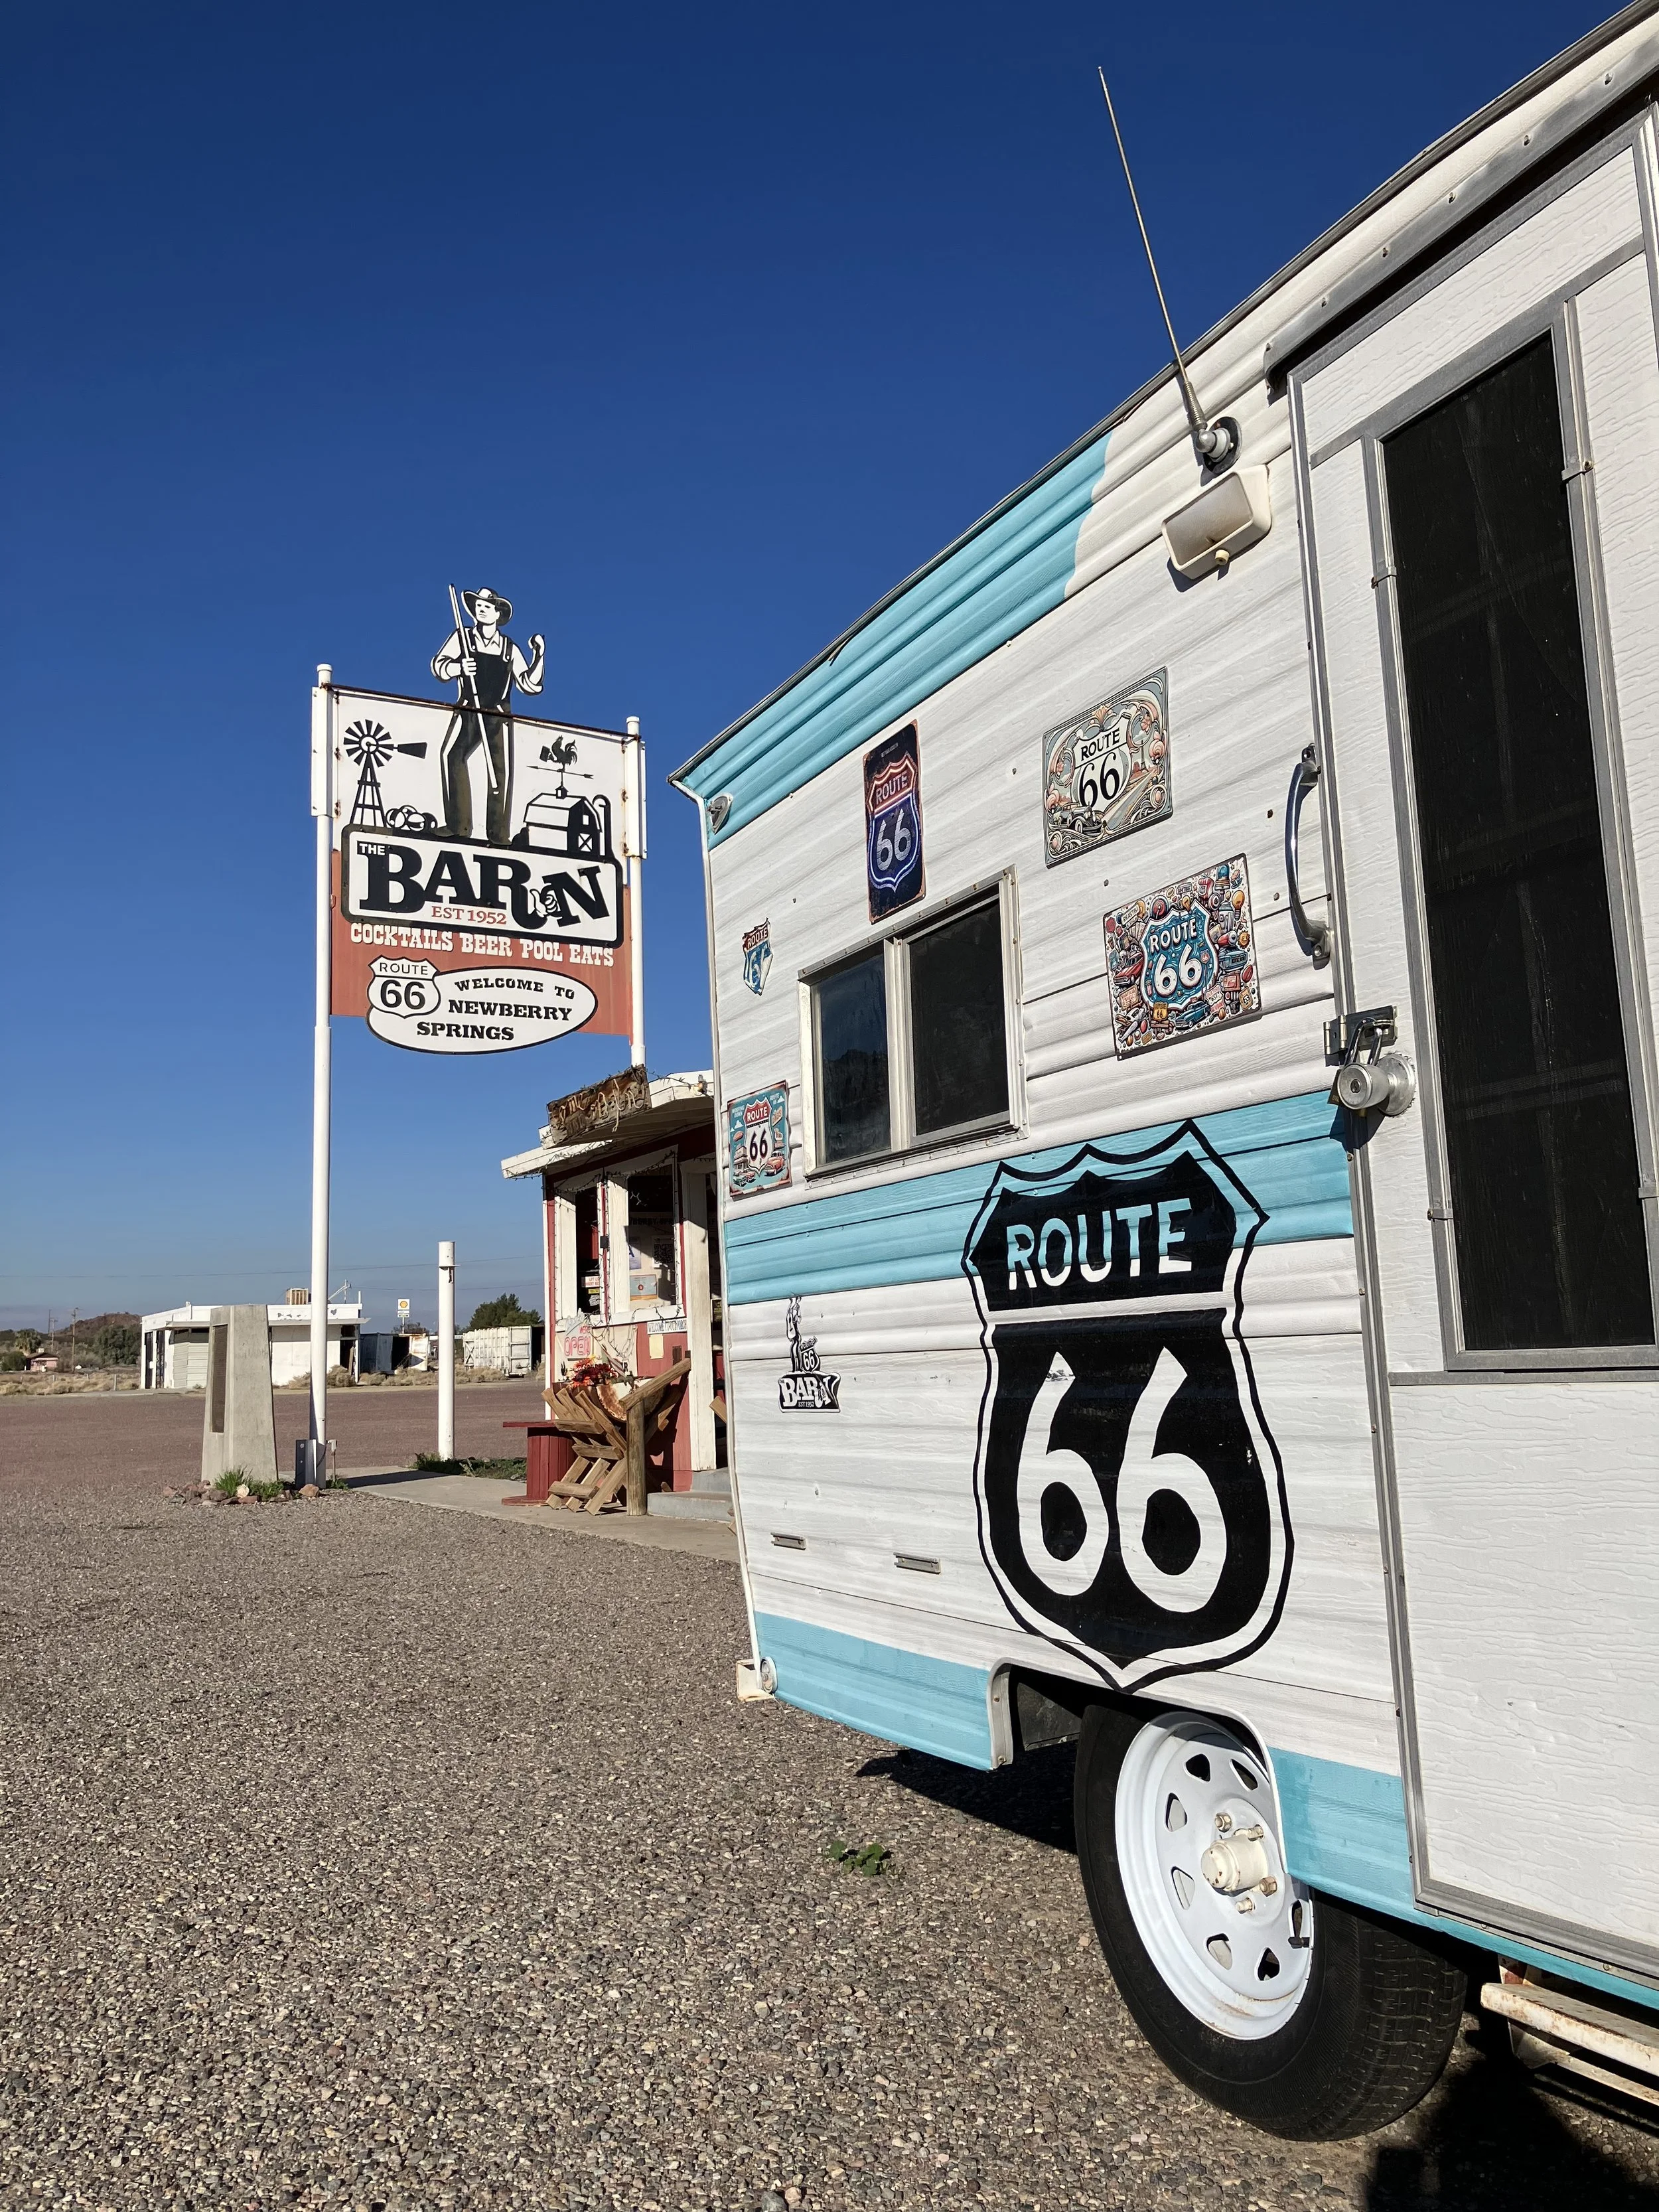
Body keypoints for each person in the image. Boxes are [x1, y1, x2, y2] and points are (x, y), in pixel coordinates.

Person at [431, 588, 545, 845]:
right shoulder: (462, 638)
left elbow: (530, 685)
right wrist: (458, 666)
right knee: (451, 754)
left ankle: (498, 834)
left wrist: (539, 655)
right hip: (469, 706)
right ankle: (458, 825)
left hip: (498, 713)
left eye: (487, 606)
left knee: (499, 771)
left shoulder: (509, 648)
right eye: (478, 605)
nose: (481, 609)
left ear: (498, 613)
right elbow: (440, 665)